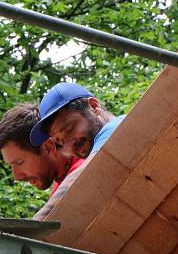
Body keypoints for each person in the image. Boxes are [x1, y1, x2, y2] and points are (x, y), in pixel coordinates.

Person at [29, 82, 125, 220]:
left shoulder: (116, 128)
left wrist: (37, 222)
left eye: (69, 129)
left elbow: (84, 173)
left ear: (94, 106)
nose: (70, 145)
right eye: (60, 141)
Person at [0, 102, 84, 196]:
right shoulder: (59, 186)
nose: (16, 177)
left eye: (19, 162)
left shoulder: (84, 171)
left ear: (48, 147)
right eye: (11, 165)